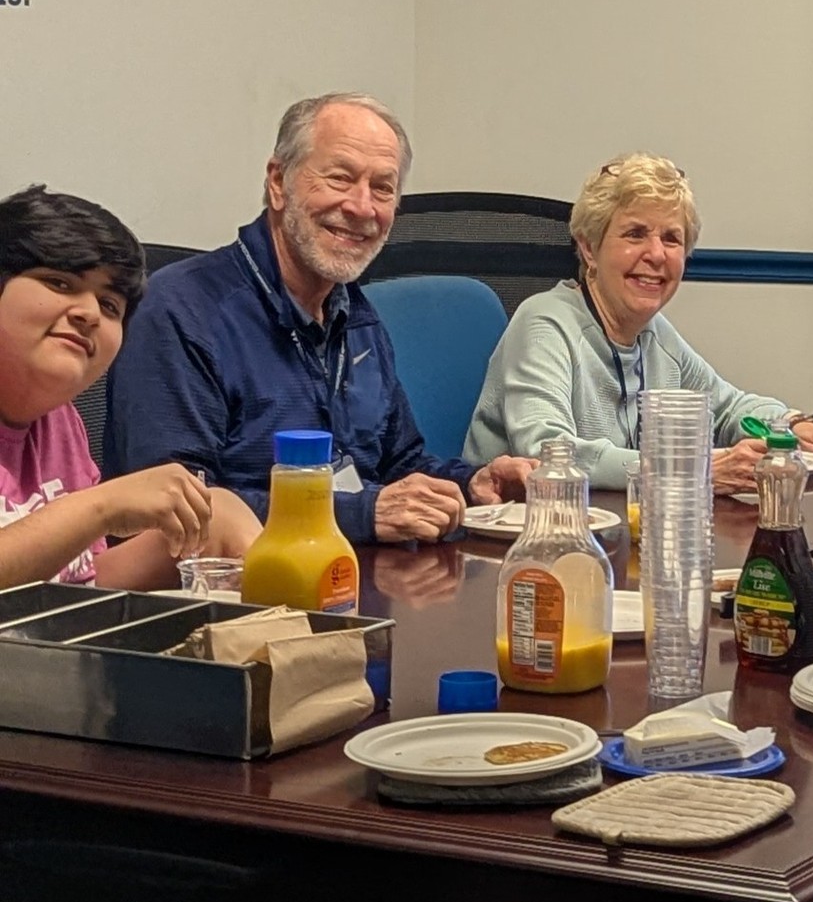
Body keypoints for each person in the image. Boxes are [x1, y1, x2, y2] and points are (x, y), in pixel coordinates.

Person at [104, 92, 533, 544]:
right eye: (340, 178)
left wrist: (473, 483)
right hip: (229, 595)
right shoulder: (183, 310)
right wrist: (359, 514)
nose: (362, 207)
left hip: (349, 577)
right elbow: (175, 507)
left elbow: (398, 464)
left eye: (383, 188)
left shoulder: (355, 313)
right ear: (277, 182)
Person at [462, 153, 813, 494]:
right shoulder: (544, 322)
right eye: (635, 234)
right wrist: (691, 471)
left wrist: (793, 424)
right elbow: (547, 451)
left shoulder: (654, 334)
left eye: (672, 239)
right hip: (509, 551)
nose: (656, 254)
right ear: (589, 247)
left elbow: (727, 409)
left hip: (616, 534)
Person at [0, 185, 259, 591]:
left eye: (109, 306)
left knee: (219, 515)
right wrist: (102, 506)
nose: (88, 313)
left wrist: (209, 525)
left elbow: (81, 583)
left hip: (48, 649)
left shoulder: (61, 421)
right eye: (60, 283)